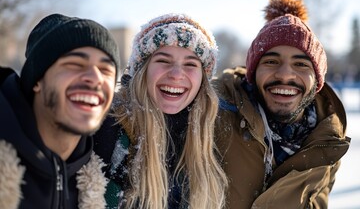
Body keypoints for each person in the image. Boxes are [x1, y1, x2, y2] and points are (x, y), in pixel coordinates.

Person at [213, 0, 351, 208]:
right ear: (253, 72)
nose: (285, 75)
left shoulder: (328, 139)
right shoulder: (214, 113)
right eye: (271, 61)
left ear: (318, 81)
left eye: (301, 64)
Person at [94, 13, 228, 209]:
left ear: (203, 80)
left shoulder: (216, 133)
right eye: (164, 61)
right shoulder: (107, 128)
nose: (176, 75)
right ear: (142, 70)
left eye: (190, 64)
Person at [0, 13, 120, 209]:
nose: (95, 77)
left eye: (106, 70)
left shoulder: (98, 181)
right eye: (74, 64)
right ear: (37, 80)